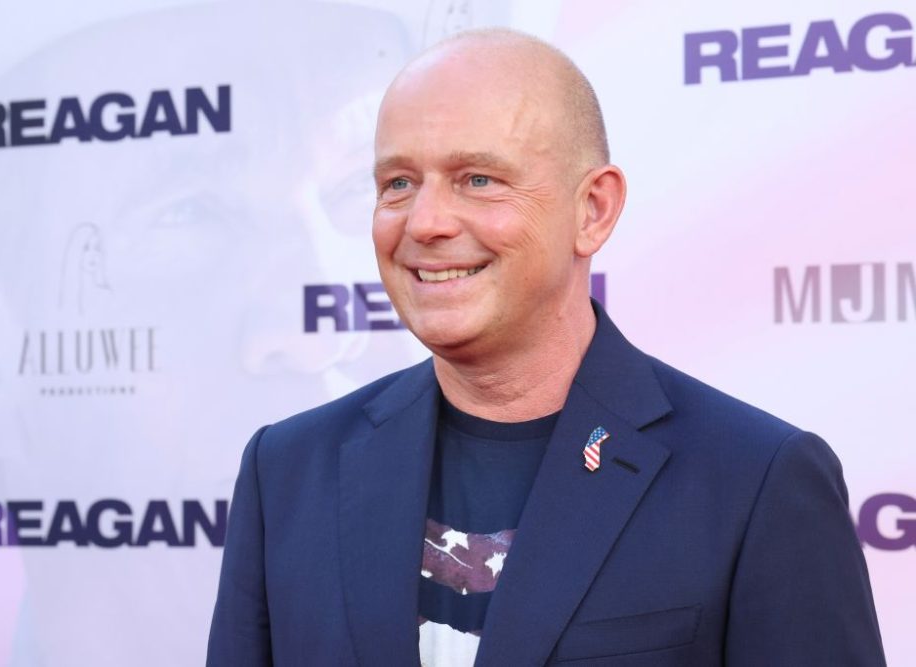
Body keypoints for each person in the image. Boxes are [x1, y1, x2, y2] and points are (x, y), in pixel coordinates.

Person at [207, 29, 885, 666]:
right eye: (398, 184)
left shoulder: (756, 480)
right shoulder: (287, 470)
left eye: (478, 179)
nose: (425, 222)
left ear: (593, 210)